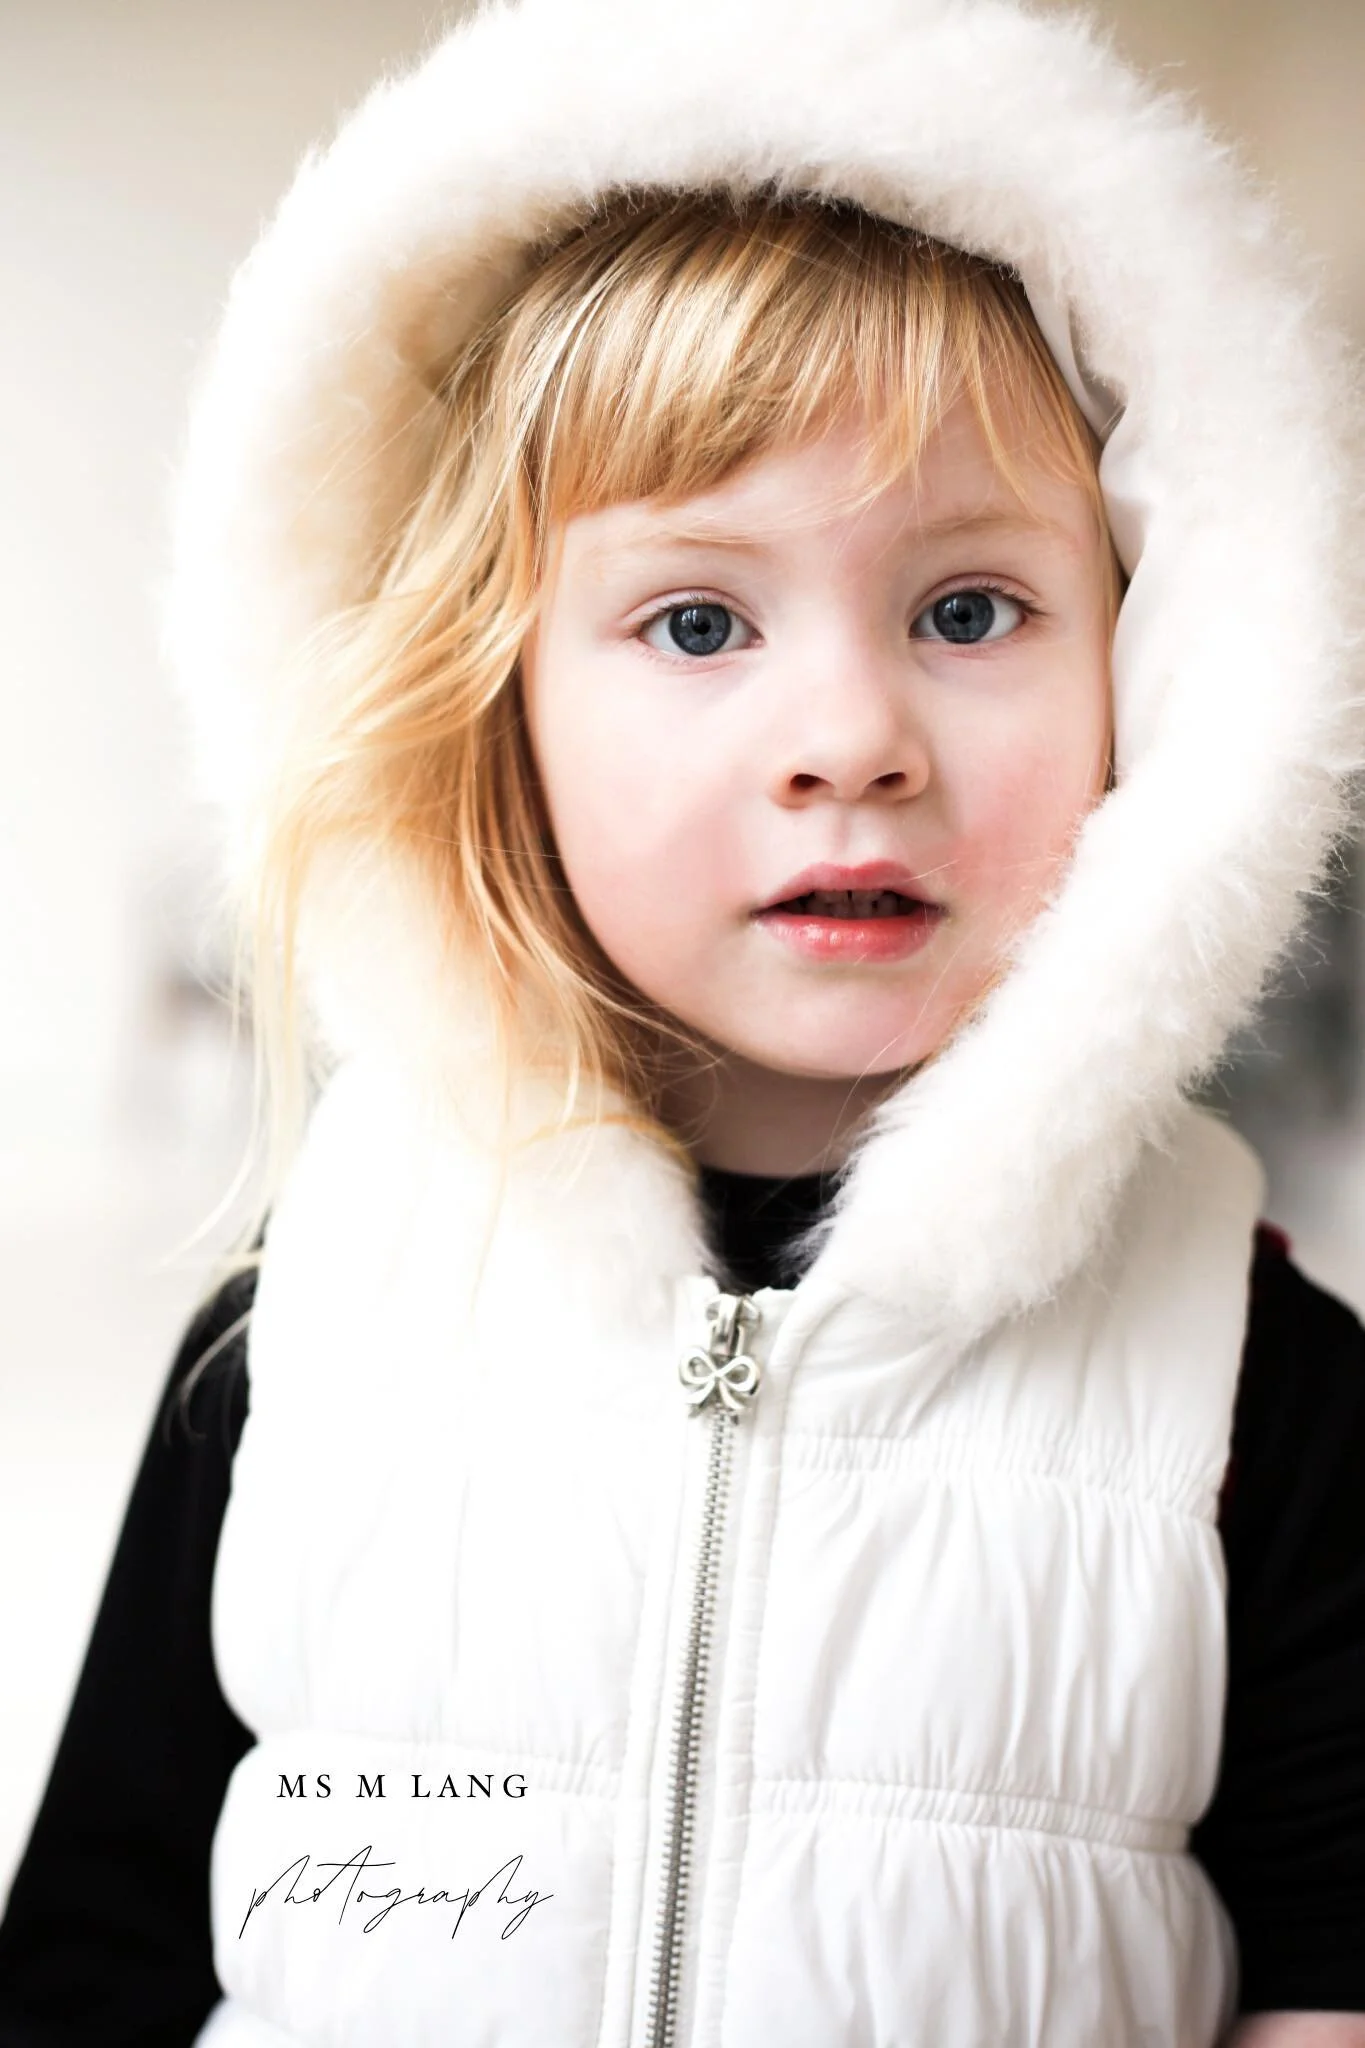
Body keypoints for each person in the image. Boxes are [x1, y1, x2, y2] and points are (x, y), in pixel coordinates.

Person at [2, 0, 1363, 2041]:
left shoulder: (1263, 1389)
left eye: (969, 609)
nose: (850, 738)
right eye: (700, 620)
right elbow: (92, 1972)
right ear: (504, 708)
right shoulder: (302, 1341)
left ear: (1156, 677)